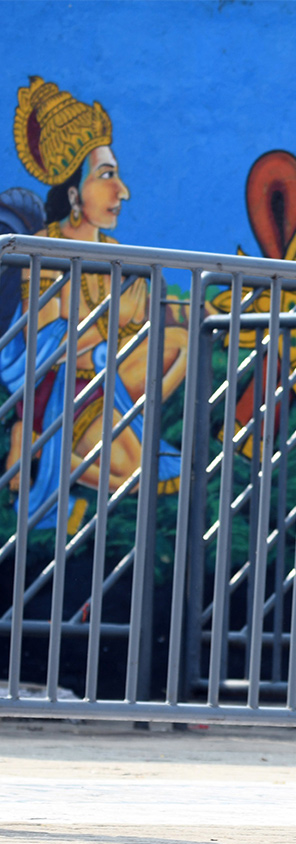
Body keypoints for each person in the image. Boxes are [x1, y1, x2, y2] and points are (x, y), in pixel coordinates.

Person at [2, 76, 187, 530]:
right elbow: (42, 348)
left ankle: (69, 445)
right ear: (72, 194)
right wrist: (95, 350)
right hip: (60, 389)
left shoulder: (121, 256)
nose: (122, 190)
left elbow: (148, 330)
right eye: (107, 176)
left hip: (110, 373)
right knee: (142, 473)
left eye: (117, 176)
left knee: (182, 343)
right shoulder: (43, 253)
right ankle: (45, 444)